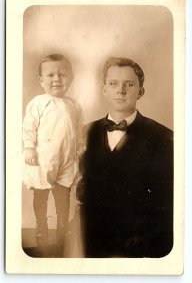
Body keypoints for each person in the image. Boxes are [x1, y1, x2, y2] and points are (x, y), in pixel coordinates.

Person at [79, 57, 173, 258]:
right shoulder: (87, 131)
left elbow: (165, 200)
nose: (120, 90)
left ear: (140, 91)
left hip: (139, 244)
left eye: (128, 84)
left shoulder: (162, 136)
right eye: (113, 84)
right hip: (92, 242)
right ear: (104, 89)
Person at [22, 54, 83, 256]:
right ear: (41, 81)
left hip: (66, 160)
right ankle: (41, 229)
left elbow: (78, 130)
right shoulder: (38, 103)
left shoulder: (74, 106)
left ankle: (62, 233)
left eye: (62, 74)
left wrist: (80, 149)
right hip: (43, 160)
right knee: (40, 196)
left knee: (63, 199)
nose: (57, 79)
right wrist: (29, 147)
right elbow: (29, 127)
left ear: (71, 78)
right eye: (50, 75)